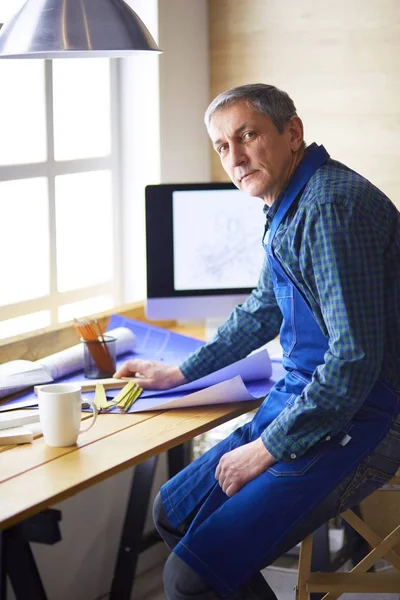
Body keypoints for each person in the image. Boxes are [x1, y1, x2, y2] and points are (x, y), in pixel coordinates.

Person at [115, 83, 400, 600]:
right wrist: (180, 373)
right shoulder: (289, 203)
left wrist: (267, 448)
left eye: (247, 135)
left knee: (187, 577)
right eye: (223, 146)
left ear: (292, 133)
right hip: (310, 404)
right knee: (172, 510)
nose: (235, 157)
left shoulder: (328, 209)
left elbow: (354, 361)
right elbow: (263, 310)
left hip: (367, 420)